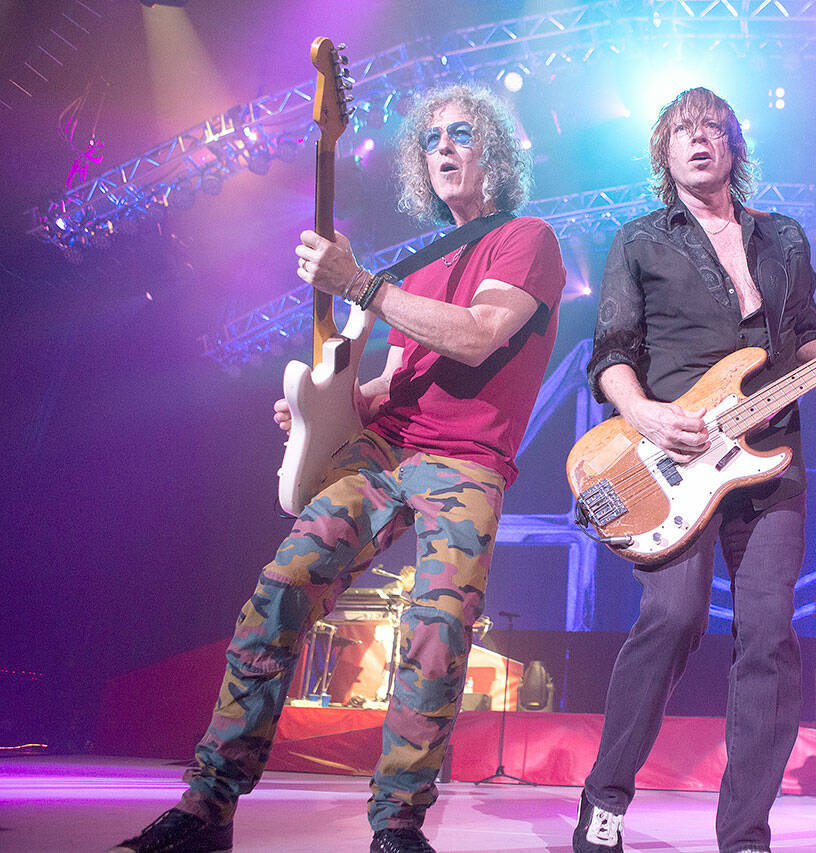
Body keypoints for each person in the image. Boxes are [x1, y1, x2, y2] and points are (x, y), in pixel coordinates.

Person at [111, 84, 566, 853]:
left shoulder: (527, 237)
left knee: (437, 628)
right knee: (280, 590)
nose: (446, 147)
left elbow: (479, 335)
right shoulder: (420, 263)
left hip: (465, 461)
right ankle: (208, 804)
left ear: (494, 148)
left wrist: (360, 284)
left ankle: (395, 822)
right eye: (432, 140)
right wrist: (327, 409)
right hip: (384, 449)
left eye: (463, 132)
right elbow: (395, 382)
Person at [572, 87, 816, 853]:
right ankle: (605, 797)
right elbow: (611, 353)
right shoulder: (641, 239)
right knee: (674, 616)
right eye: (683, 131)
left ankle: (745, 831)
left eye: (712, 128)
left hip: (772, 456)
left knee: (768, 638)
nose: (698, 140)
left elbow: (805, 337)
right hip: (675, 456)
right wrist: (645, 414)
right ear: (665, 152)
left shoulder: (782, 238)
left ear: (734, 146)